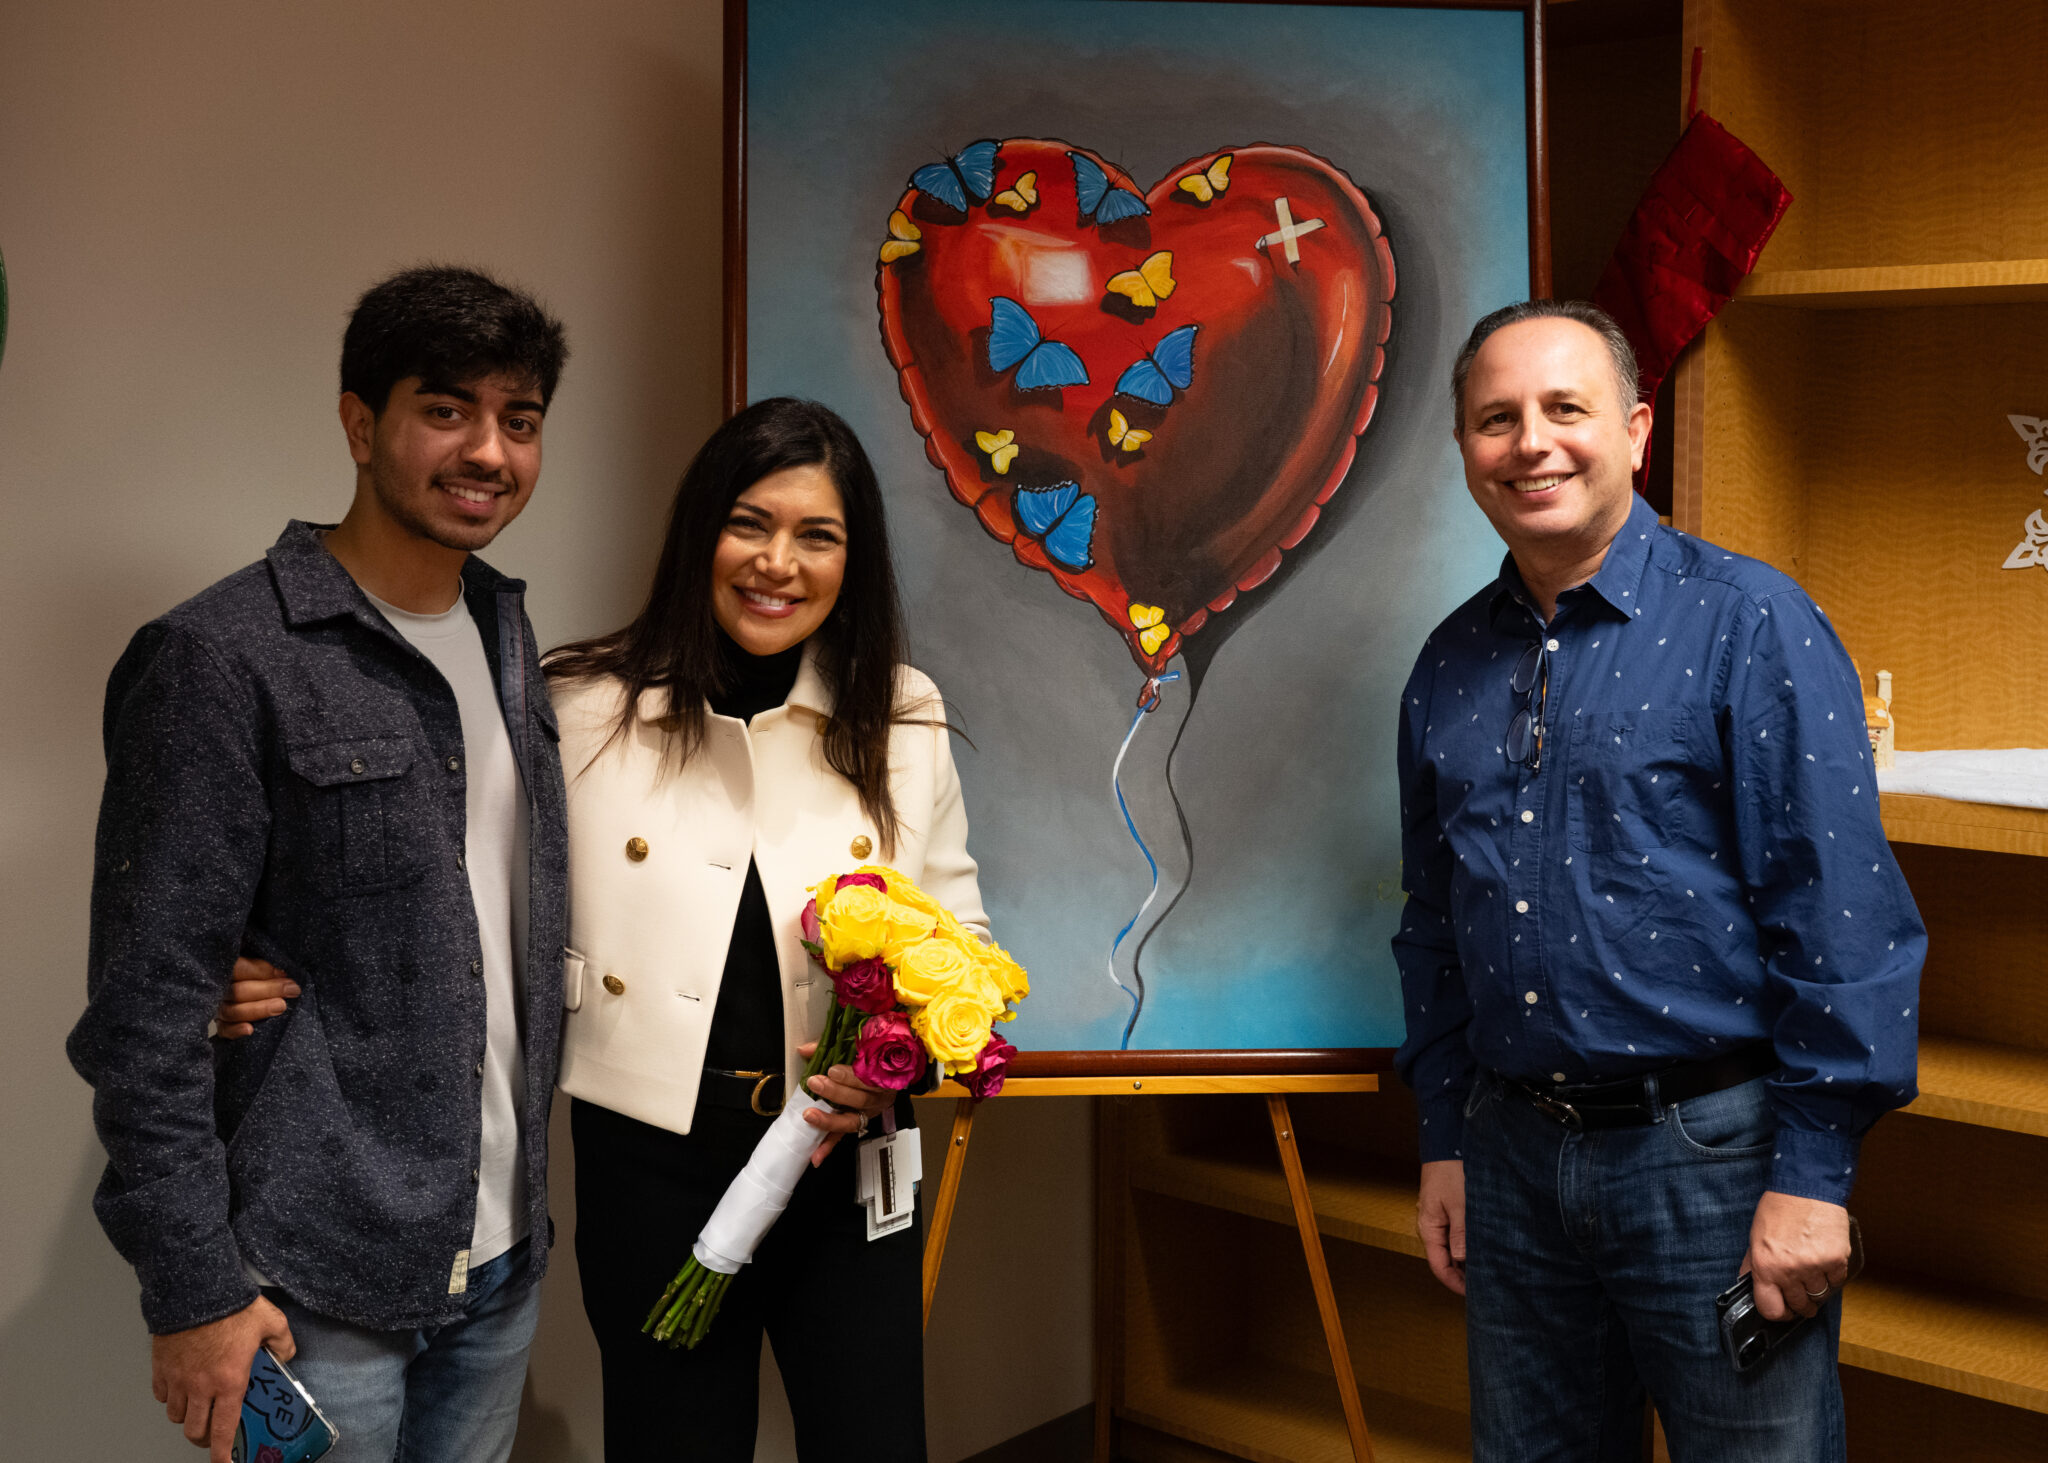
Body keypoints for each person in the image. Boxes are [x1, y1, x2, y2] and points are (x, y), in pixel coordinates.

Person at [1392, 299, 1925, 1461]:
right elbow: (1433, 922)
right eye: (1495, 418)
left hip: (1713, 1161)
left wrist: (1812, 1177)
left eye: (1563, 408)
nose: (1530, 442)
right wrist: (1444, 1140)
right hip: (1509, 1155)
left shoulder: (1751, 623)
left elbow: (1841, 917)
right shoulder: (1447, 661)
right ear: (1465, 447)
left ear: (1634, 431)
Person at [70, 264, 571, 1463]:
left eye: (519, 419)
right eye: (445, 410)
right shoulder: (219, 656)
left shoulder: (507, 635)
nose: (488, 451)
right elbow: (143, 1016)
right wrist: (192, 1288)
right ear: (359, 422)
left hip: (499, 1253)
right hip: (312, 1276)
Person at [544, 396, 980, 1460]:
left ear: (852, 559)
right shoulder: (581, 702)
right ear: (701, 528)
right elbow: (466, 895)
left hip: (844, 1154)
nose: (778, 563)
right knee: (671, 1442)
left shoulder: (902, 713)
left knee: (874, 1440)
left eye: (816, 535)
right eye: (750, 523)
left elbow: (959, 937)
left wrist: (906, 1055)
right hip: (649, 1157)